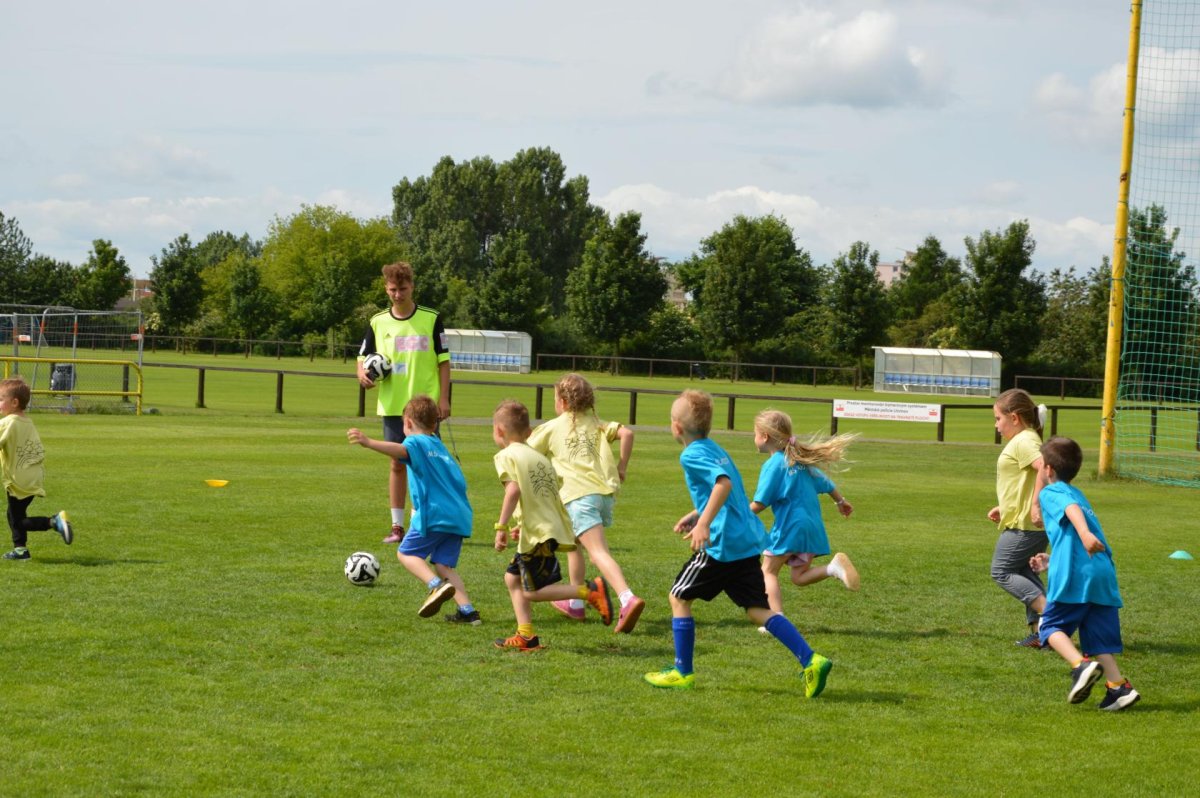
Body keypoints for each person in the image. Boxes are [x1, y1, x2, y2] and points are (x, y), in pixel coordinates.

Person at [643, 390, 832, 696]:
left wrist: (704, 524)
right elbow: (728, 491)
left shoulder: (690, 455)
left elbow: (723, 484)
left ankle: (682, 672)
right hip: (745, 541)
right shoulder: (716, 449)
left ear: (676, 427)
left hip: (722, 545)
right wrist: (697, 513)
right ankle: (811, 659)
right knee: (757, 609)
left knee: (678, 597)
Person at [490, 399, 614, 651]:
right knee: (512, 579)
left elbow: (513, 491)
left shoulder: (505, 456)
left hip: (538, 534)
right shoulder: (540, 458)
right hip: (544, 529)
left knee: (532, 591)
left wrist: (501, 527)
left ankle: (588, 591)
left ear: (499, 430)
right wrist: (523, 524)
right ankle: (526, 636)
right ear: (528, 432)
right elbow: (545, 496)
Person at [527, 373, 644, 634]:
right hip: (602, 495)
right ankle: (576, 604)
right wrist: (622, 467)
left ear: (563, 402)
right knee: (573, 545)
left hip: (578, 497)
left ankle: (627, 598)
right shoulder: (597, 423)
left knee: (597, 552)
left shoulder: (552, 427)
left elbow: (526, 452)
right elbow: (627, 433)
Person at [347, 395, 478, 624]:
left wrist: (369, 442)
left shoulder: (415, 442)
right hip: (459, 515)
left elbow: (400, 450)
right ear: (434, 424)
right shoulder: (439, 445)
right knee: (444, 565)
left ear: (407, 423)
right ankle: (468, 612)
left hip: (436, 514)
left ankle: (436, 586)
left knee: (406, 553)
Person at [1031, 436, 1140, 711]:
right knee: (1098, 640)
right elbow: (1073, 527)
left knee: (1049, 626)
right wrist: (1053, 560)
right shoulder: (1078, 493)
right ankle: (1118, 688)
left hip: (1078, 574)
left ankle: (1080, 666)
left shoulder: (1051, 493)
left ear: (1048, 470)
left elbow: (1071, 513)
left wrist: (1084, 533)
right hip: (1101, 573)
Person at [356, 261, 452, 545]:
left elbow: (444, 362)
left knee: (425, 464)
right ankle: (397, 527)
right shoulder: (377, 322)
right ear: (386, 289)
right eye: (392, 290)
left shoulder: (432, 318)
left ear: (412, 287)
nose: (397, 294)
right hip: (393, 405)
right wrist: (362, 375)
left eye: (403, 289)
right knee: (397, 464)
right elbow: (362, 358)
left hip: (425, 407)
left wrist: (443, 398)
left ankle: (421, 523)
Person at [749, 409, 859, 626]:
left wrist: (736, 516)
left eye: (754, 433)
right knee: (798, 577)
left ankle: (776, 622)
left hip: (791, 526)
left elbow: (760, 502)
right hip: (811, 526)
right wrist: (840, 502)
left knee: (768, 571)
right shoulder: (800, 460)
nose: (754, 438)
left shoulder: (774, 464)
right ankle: (833, 568)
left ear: (764, 436)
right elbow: (827, 484)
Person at [988, 388, 1048, 648]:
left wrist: (1035, 505)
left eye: (998, 418)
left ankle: (1054, 617)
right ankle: (1042, 634)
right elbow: (1024, 481)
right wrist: (1006, 506)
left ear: (1014, 417)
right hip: (1022, 520)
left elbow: (1045, 467)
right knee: (1023, 571)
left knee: (1001, 571)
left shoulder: (1025, 440)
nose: (996, 425)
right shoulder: (1024, 439)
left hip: (1026, 526)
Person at [1, 376, 73, 560]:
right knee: (14, 514)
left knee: (17, 520)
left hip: (19, 479)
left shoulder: (8, 422)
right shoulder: (27, 422)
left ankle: (54, 522)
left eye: (1, 399)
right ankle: (21, 550)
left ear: (14, 402)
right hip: (33, 475)